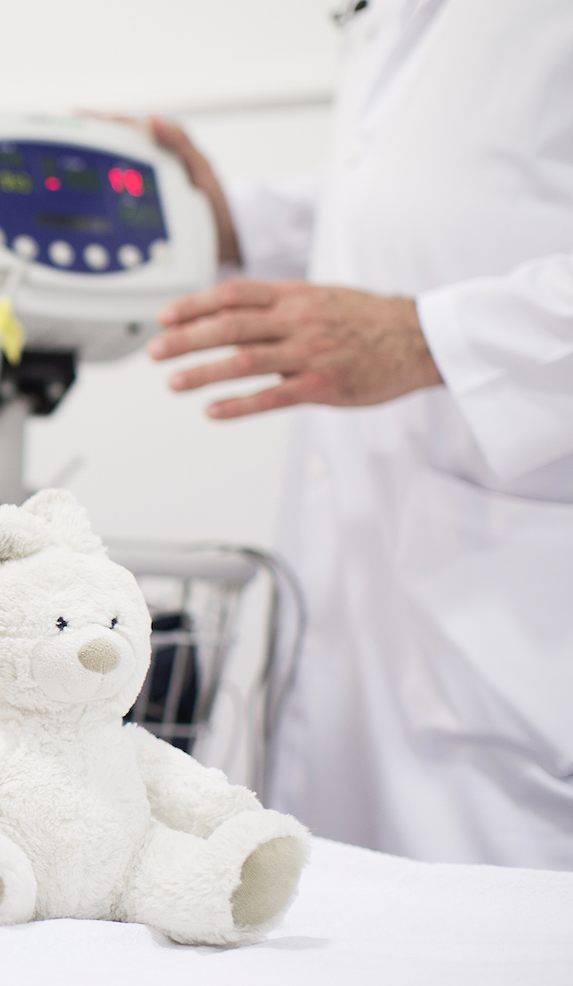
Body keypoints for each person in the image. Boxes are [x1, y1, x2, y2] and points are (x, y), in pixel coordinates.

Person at [140, 0, 573, 868]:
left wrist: (426, 338)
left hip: (510, 650)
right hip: (369, 621)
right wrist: (235, 223)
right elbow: (432, 198)